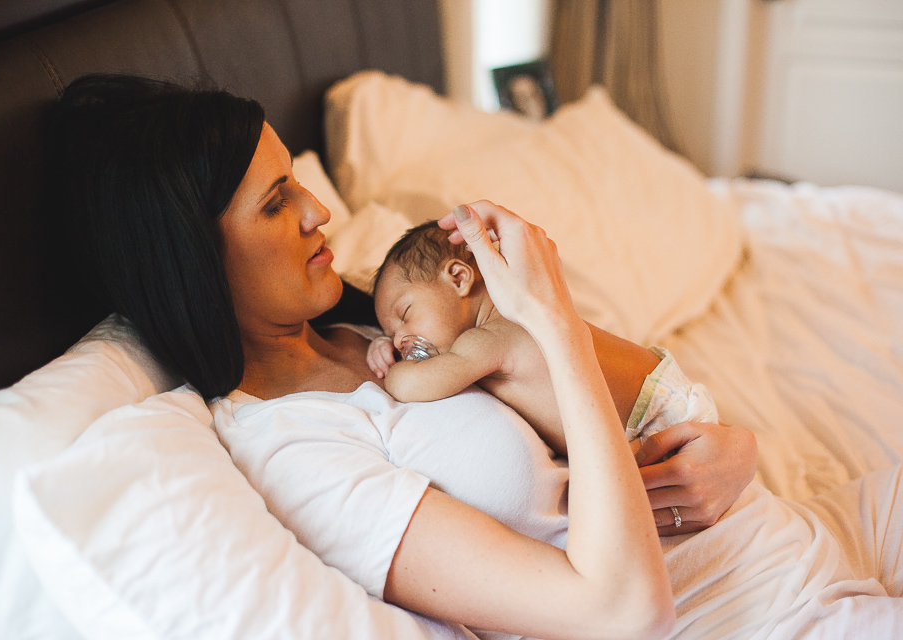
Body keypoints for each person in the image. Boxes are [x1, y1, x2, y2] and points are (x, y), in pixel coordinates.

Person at [51, 73, 903, 640]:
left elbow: (606, 393)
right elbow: (622, 608)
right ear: (190, 255)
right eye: (278, 202)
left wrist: (729, 446)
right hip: (752, 613)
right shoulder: (294, 451)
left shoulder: (366, 319)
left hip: (799, 526)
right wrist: (553, 315)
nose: (320, 209)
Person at [367, 219, 717, 460]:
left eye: (405, 314)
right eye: (389, 334)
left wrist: (392, 369)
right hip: (655, 407)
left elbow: (414, 385)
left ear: (459, 278)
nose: (399, 339)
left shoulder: (499, 333)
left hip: (658, 417)